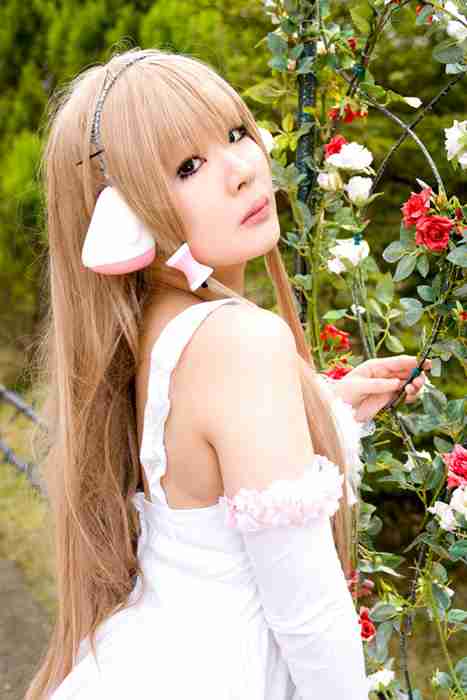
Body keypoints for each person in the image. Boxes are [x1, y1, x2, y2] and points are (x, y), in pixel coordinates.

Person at [26, 47, 430, 700]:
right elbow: (310, 616)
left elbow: (206, 481)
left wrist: (322, 409)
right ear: (122, 217)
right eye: (188, 166)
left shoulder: (158, 327)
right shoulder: (240, 343)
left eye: (236, 133)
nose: (241, 171)